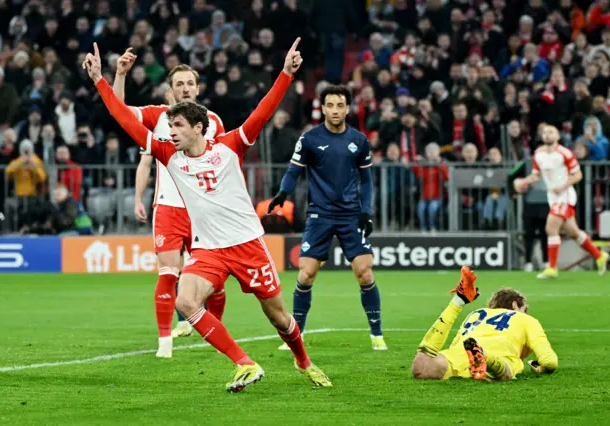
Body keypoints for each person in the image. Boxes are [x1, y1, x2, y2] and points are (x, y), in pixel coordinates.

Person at [84, 39, 332, 392]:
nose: (172, 132)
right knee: (185, 301)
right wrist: (100, 81)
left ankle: (304, 361)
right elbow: (124, 118)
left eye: (179, 126)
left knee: (277, 315)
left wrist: (285, 75)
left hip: (247, 244)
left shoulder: (231, 146)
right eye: (171, 127)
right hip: (209, 249)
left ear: (199, 127)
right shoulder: (171, 156)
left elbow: (262, 112)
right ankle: (245, 363)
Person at [113, 49, 227, 355]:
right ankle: (165, 342)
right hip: (168, 207)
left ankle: (214, 332)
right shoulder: (158, 117)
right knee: (168, 273)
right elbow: (120, 109)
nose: (186, 88)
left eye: (190, 83)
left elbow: (224, 164)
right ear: (171, 89)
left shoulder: (213, 122)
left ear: (198, 88)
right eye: (180, 84)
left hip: (203, 210)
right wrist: (121, 75)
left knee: (215, 281)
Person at [269, 84, 387, 351]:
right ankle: (295, 335)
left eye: (340, 105)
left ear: (347, 108)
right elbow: (293, 171)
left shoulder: (359, 140)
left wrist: (366, 212)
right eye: (330, 105)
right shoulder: (309, 139)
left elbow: (366, 181)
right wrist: (282, 194)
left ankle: (377, 334)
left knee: (365, 273)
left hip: (350, 216)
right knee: (306, 275)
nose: (335, 110)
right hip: (319, 215)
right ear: (322, 108)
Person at [412, 266, 558, 381]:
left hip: (463, 351)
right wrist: (539, 368)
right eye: (525, 309)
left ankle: (458, 301)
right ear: (515, 305)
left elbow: (455, 345)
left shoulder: (476, 314)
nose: (526, 313)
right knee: (506, 371)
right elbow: (549, 361)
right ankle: (486, 357)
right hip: (500, 352)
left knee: (421, 368)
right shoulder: (526, 319)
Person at [515, 125, 609, 279]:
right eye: (545, 132)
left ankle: (552, 268)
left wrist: (562, 186)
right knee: (573, 232)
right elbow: (536, 176)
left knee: (550, 228)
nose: (547, 135)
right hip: (552, 197)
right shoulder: (538, 154)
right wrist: (523, 181)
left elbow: (578, 175)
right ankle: (599, 255)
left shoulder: (565, 153)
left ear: (558, 136)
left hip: (564, 195)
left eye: (551, 132)